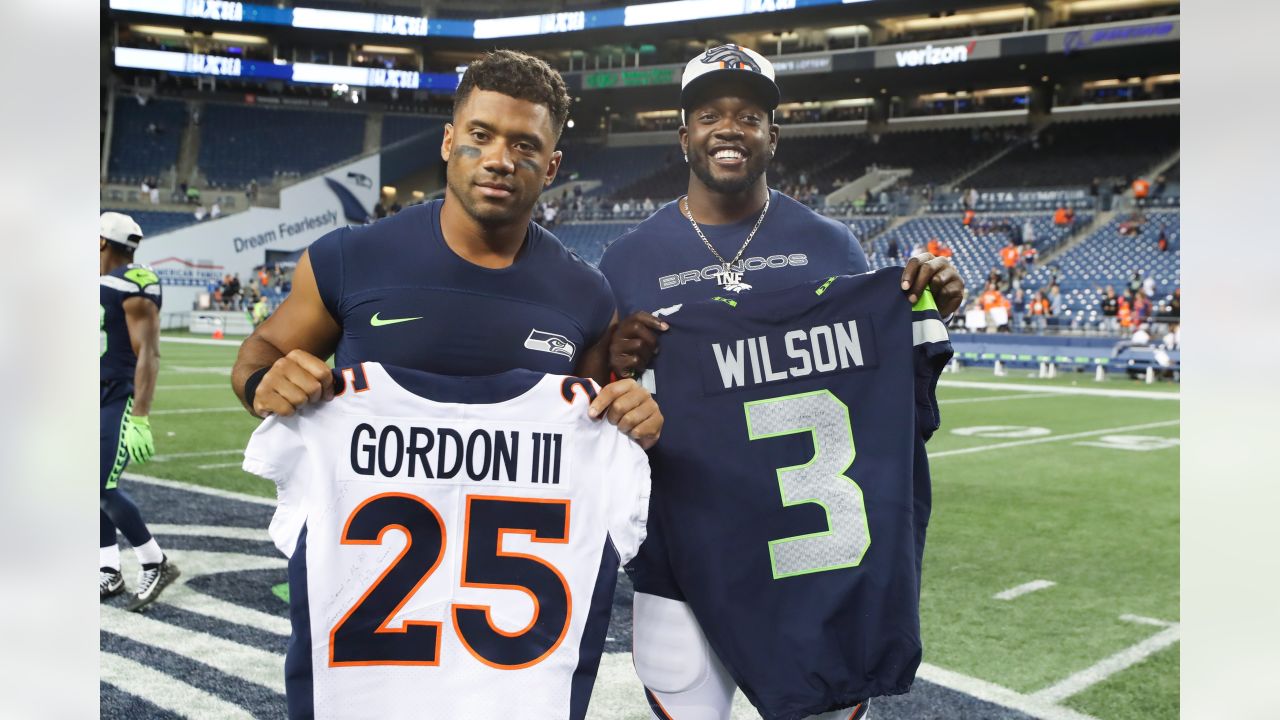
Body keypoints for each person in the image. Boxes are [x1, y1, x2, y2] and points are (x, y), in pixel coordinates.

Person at [230, 49, 661, 717]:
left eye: (525, 145)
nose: (499, 159)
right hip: (368, 651)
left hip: (511, 658)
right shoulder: (352, 258)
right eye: (481, 136)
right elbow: (259, 353)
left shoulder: (584, 295)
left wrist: (633, 408)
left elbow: (598, 416)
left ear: (550, 166)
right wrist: (267, 382)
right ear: (449, 140)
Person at [598, 44, 964, 720]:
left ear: (773, 135)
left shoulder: (832, 248)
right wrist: (613, 362)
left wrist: (924, 308)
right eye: (709, 114)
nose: (729, 129)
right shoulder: (626, 260)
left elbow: (879, 401)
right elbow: (593, 399)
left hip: (811, 562)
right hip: (681, 553)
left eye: (749, 115)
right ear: (685, 135)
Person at [99, 212, 180, 610]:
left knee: (100, 487)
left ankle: (154, 561)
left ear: (100, 242)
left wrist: (141, 417)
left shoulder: (132, 283)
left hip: (117, 397)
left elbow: (148, 351)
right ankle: (108, 570)